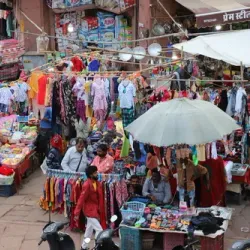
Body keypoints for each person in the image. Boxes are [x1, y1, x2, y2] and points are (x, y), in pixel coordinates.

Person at [74, 165, 103, 250]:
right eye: (95, 173)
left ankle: (84, 247)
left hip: (95, 210)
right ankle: (96, 247)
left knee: (88, 231)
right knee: (99, 230)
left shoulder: (96, 183)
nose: (97, 174)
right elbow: (81, 199)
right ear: (91, 175)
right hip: (89, 211)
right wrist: (76, 212)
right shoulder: (87, 185)